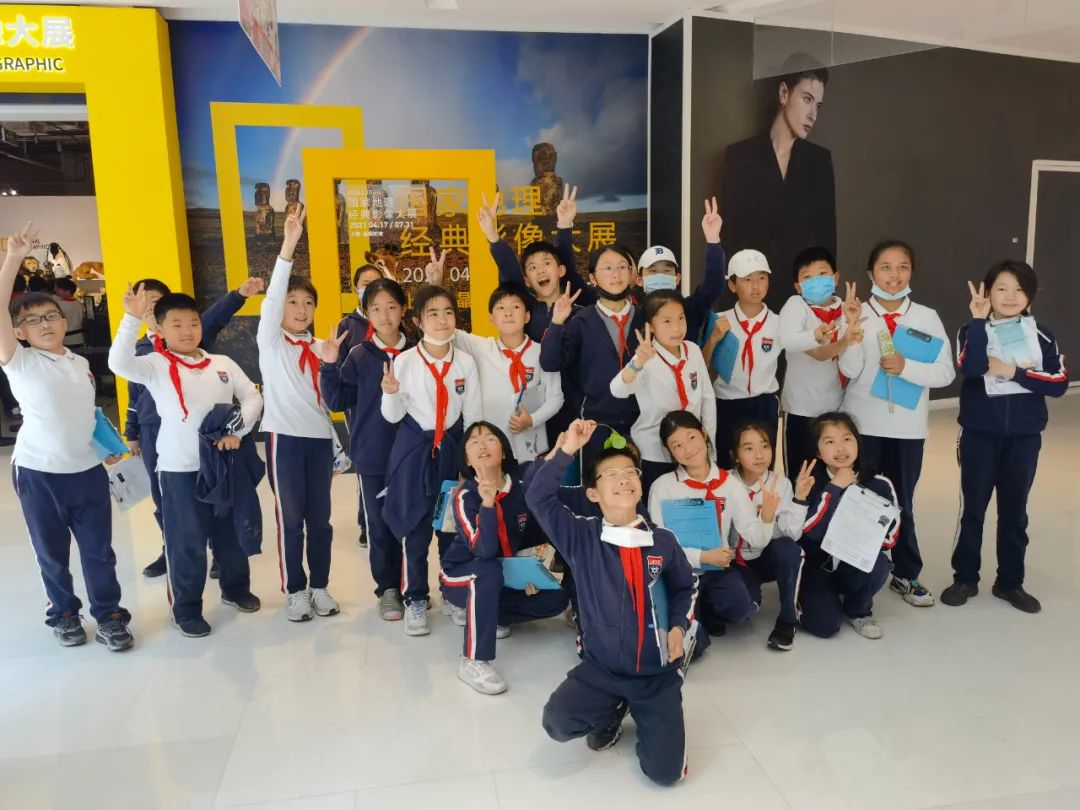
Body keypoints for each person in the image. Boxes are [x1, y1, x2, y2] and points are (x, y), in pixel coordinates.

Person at [526, 419, 697, 787]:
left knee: (666, 775)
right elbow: (537, 497)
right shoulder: (581, 537)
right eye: (611, 475)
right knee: (557, 722)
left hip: (655, 676)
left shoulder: (663, 541)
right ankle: (613, 707)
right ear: (593, 494)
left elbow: (686, 587)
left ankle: (646, 710)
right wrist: (567, 450)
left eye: (630, 472)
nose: (623, 479)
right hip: (601, 671)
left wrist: (679, 627)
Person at [0, 223, 133, 651]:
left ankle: (109, 616)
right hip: (39, 473)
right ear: (18, 331)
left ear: (63, 320)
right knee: (52, 553)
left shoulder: (78, 363)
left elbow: (86, 413)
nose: (44, 324)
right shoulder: (19, 362)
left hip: (87, 472)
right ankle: (63, 613)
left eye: (50, 316)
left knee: (99, 551)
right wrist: (13, 258)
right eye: (31, 320)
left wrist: (107, 448)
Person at [109, 285, 263, 638]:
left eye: (193, 323)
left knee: (230, 533)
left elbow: (252, 397)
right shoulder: (155, 365)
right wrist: (130, 319)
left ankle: (235, 589)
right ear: (160, 329)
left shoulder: (221, 364)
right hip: (179, 470)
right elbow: (118, 363)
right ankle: (187, 609)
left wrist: (237, 430)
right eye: (176, 325)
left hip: (222, 465)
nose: (187, 331)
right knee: (186, 540)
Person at [946, 264, 1068, 613]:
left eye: (1019, 289)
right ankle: (965, 578)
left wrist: (1014, 371)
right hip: (979, 435)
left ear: (1029, 295)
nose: (1011, 297)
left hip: (1024, 438)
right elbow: (971, 368)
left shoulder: (1041, 334)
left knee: (1015, 513)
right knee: (973, 510)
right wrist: (979, 321)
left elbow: (1058, 383)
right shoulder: (970, 330)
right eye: (1002, 288)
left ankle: (1010, 582)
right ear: (988, 293)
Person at [839, 240, 955, 607]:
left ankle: (906, 573)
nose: (894, 274)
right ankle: (854, 576)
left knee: (902, 502)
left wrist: (907, 367)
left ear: (912, 272)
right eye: (886, 267)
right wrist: (851, 334)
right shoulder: (857, 313)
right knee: (859, 500)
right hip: (863, 426)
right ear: (871, 273)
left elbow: (946, 372)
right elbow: (848, 370)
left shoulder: (926, 317)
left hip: (907, 429)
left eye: (903, 266)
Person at [380, 284, 482, 636]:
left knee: (451, 528)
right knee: (417, 528)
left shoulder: (465, 362)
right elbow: (392, 416)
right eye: (433, 313)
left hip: (452, 451)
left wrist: (470, 465)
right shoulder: (405, 361)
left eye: (448, 312)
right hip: (415, 453)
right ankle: (416, 598)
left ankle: (452, 593)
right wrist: (390, 393)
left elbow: (474, 415)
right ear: (418, 321)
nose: (442, 320)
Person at [441, 421, 569, 694]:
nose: (482, 445)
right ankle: (473, 660)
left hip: (505, 573)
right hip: (462, 574)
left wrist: (532, 574)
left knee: (556, 598)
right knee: (486, 571)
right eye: (474, 441)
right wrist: (488, 503)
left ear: (503, 449)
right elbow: (483, 551)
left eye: (490, 438)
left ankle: (490, 615)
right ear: (467, 459)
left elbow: (533, 537)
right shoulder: (465, 497)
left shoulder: (518, 488)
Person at [260, 204, 341, 622]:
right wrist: (289, 245)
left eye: (308, 302)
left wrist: (331, 363)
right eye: (293, 301)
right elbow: (273, 297)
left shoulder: (321, 348)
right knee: (291, 519)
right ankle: (295, 590)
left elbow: (332, 398)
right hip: (285, 441)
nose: (301, 308)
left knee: (321, 521)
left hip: (319, 443)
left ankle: (320, 586)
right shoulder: (271, 342)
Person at [320, 277, 414, 621]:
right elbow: (337, 400)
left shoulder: (418, 352)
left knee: (414, 523)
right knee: (379, 525)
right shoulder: (359, 355)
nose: (385, 316)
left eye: (392, 307)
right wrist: (329, 365)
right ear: (367, 314)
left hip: (413, 454)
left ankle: (414, 587)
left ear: (403, 310)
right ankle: (388, 589)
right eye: (376, 309)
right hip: (373, 454)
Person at [721, 58, 835, 314]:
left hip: (801, 297)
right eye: (807, 99)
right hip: (750, 295)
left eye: (818, 105)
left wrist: (824, 303)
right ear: (784, 93)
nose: (813, 114)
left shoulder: (819, 160)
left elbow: (826, 241)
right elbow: (731, 237)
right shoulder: (740, 156)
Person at [648, 411, 773, 640]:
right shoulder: (663, 487)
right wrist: (702, 557)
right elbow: (659, 545)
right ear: (669, 451)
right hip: (679, 574)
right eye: (677, 445)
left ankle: (707, 609)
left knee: (741, 609)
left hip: (717, 570)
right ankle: (697, 614)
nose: (687, 449)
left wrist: (767, 518)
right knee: (685, 636)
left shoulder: (730, 484)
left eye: (691, 437)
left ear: (704, 434)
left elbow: (756, 538)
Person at [540, 245, 642, 471]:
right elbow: (550, 362)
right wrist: (557, 322)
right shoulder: (581, 321)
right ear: (593, 278)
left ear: (632, 274)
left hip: (643, 422)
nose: (615, 274)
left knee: (639, 485)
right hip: (595, 425)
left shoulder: (645, 317)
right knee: (599, 485)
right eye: (607, 268)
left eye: (622, 267)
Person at [799, 412, 897, 639]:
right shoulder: (810, 482)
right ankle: (812, 597)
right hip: (818, 566)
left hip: (855, 562)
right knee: (824, 626)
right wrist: (833, 488)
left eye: (847, 439)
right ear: (818, 452)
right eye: (830, 442)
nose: (840, 449)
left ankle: (859, 610)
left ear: (858, 443)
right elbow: (811, 532)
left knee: (879, 564)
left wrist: (867, 534)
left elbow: (890, 537)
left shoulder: (879, 484)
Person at [610, 292, 716, 494]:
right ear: (650, 326)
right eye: (667, 321)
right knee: (659, 502)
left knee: (692, 502)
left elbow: (707, 399)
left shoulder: (693, 350)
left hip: (692, 449)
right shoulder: (646, 357)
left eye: (681, 318)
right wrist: (638, 363)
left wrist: (710, 447)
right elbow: (617, 390)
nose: (677, 328)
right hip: (655, 453)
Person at [729, 421, 815, 650]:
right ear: (735, 455)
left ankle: (788, 620)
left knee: (788, 548)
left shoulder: (781, 483)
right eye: (749, 448)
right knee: (741, 610)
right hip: (734, 561)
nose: (759, 455)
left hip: (766, 556)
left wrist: (799, 498)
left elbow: (791, 533)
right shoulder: (725, 482)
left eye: (765, 446)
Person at [778, 247, 861, 475]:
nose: (816, 281)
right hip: (801, 410)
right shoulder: (797, 306)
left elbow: (852, 367)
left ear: (836, 278)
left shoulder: (848, 310)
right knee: (802, 475)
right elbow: (795, 343)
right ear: (798, 286)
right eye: (807, 277)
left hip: (837, 409)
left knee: (837, 472)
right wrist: (830, 338)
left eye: (823, 274)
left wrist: (850, 330)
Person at [477, 186, 587, 342]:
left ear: (561, 270)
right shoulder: (524, 311)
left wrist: (565, 224)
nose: (540, 270)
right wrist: (492, 235)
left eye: (546, 263)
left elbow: (564, 255)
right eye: (532, 267)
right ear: (527, 280)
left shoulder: (581, 314)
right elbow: (509, 269)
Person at [711, 249, 783, 463]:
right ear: (732, 285)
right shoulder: (719, 320)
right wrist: (713, 339)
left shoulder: (779, 322)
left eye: (762, 278)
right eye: (747, 279)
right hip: (727, 403)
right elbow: (701, 363)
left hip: (764, 403)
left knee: (762, 463)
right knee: (726, 461)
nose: (756, 286)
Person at [52, 278, 85, 347]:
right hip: (80, 338)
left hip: (66, 341)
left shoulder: (59, 305)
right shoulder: (78, 303)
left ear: (63, 289)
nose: (55, 290)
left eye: (57, 288)